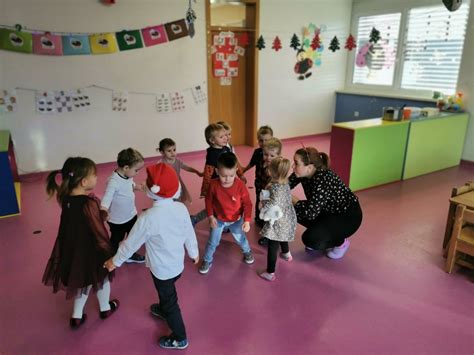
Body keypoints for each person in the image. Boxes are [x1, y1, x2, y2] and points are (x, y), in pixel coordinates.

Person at [104, 163, 199, 350]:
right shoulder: (181, 209)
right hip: (177, 266)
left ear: (151, 190)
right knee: (167, 293)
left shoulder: (147, 218)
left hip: (162, 271)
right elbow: (189, 233)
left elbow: (131, 244)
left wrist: (115, 261)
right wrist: (194, 253)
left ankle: (180, 338)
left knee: (171, 301)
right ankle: (164, 309)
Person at [43, 157, 119, 329]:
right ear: (84, 181)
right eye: (94, 175)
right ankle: (105, 308)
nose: (96, 178)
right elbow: (98, 228)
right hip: (91, 251)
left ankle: (76, 317)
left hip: (73, 251)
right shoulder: (88, 203)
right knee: (102, 278)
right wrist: (109, 249)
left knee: (81, 282)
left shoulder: (66, 199)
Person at [289, 147, 363, 259]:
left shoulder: (322, 179)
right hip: (326, 211)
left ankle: (341, 243)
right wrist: (274, 186)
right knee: (291, 210)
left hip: (347, 216)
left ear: (309, 167)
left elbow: (310, 213)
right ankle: (322, 232)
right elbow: (285, 185)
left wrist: (291, 198)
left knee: (310, 239)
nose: (293, 166)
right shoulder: (303, 172)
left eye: (296, 163)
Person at [199, 152, 254, 274]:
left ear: (236, 170)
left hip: (236, 220)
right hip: (218, 220)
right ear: (217, 171)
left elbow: (247, 204)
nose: (227, 179)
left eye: (231, 175)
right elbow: (208, 200)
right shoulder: (213, 184)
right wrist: (210, 216)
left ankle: (247, 251)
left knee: (241, 239)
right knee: (212, 242)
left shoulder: (240, 185)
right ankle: (207, 260)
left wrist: (247, 221)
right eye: (224, 176)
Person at [101, 148, 145, 263]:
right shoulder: (113, 182)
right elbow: (107, 197)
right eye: (136, 170)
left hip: (131, 214)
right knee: (116, 239)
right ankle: (112, 257)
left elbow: (129, 183)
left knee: (132, 237)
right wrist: (104, 210)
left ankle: (129, 254)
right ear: (126, 168)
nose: (138, 173)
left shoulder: (128, 176)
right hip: (117, 220)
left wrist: (136, 187)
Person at [258, 157, 297, 281]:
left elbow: (273, 203)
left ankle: (270, 272)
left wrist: (263, 204)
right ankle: (286, 254)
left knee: (273, 244)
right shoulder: (285, 183)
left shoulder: (275, 187)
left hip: (278, 219)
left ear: (271, 172)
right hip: (287, 217)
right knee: (282, 236)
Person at [243, 125, 274, 229]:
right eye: (261, 140)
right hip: (259, 183)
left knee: (268, 201)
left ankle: (268, 220)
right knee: (259, 200)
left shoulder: (273, 154)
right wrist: (243, 170)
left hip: (270, 184)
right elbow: (251, 164)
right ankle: (258, 218)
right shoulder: (257, 152)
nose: (264, 143)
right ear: (258, 141)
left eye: (267, 140)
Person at [157, 138, 203, 204]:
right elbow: (156, 176)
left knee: (179, 198)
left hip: (178, 183)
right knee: (170, 200)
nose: (173, 153)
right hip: (168, 186)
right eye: (169, 151)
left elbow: (186, 167)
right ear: (162, 152)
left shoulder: (177, 161)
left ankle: (179, 207)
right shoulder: (161, 164)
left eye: (174, 150)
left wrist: (197, 172)